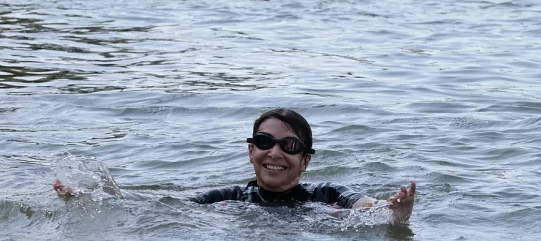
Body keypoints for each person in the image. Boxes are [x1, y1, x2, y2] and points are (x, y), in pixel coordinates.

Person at [54, 108, 417, 224]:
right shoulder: (230, 197)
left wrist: (393, 211)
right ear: (250, 151)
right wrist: (91, 197)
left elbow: (364, 206)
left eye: (288, 146)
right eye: (264, 142)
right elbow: (163, 207)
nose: (274, 153)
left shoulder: (327, 194)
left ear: (305, 161)